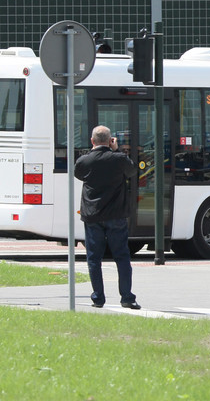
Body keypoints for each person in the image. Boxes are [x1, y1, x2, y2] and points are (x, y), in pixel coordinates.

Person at [74, 125, 140, 309]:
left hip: (92, 215)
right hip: (116, 215)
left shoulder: (84, 161)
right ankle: (126, 297)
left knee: (94, 258)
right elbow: (132, 170)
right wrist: (116, 150)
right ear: (110, 140)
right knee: (122, 256)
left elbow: (79, 174)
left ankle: (98, 298)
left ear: (92, 141)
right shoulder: (119, 159)